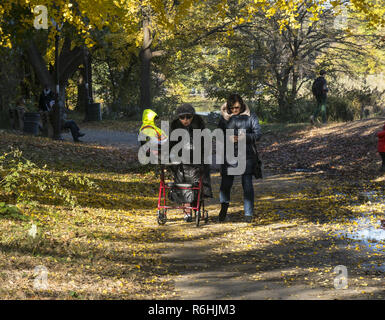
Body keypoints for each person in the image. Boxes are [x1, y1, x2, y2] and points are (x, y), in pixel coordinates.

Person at [217, 93, 262, 223]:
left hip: (246, 154)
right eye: (232, 108)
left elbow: (258, 134)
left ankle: (248, 213)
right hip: (229, 154)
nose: (235, 110)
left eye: (237, 107)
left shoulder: (250, 116)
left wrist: (243, 137)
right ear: (228, 107)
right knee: (225, 184)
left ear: (242, 105)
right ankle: (223, 210)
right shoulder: (224, 118)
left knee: (247, 184)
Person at [169, 103, 213, 222]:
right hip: (181, 163)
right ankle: (187, 213)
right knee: (183, 187)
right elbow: (171, 145)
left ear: (193, 116)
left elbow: (207, 145)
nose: (185, 120)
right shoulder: (175, 127)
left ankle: (196, 209)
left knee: (197, 187)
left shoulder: (200, 127)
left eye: (188, 117)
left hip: (197, 162)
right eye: (182, 117)